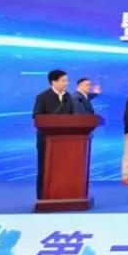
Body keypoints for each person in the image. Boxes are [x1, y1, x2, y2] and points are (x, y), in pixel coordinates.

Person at [32, 69, 73, 198]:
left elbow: (73, 117)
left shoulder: (68, 97)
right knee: (44, 167)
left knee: (63, 168)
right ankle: (43, 196)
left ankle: (63, 192)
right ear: (53, 82)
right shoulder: (42, 97)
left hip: (65, 140)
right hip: (46, 139)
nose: (67, 83)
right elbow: (37, 116)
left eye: (67, 80)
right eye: (64, 80)